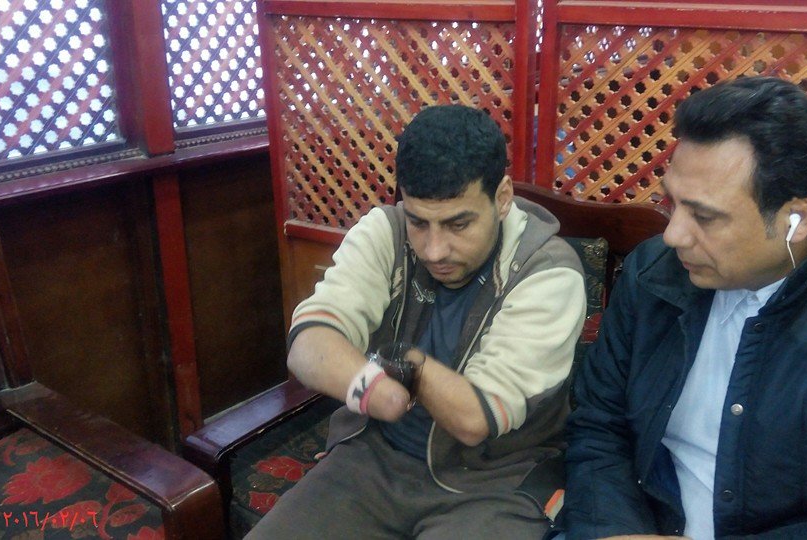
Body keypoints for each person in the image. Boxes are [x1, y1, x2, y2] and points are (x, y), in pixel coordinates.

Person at [564, 76, 807, 539]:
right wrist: (614, 530)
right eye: (672, 203)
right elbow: (598, 425)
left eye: (704, 216)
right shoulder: (654, 274)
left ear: (796, 219)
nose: (673, 235)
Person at [247, 104, 587, 539]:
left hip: (494, 482)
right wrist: (375, 389)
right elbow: (308, 344)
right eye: (418, 222)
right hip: (373, 458)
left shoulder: (549, 271)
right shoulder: (384, 232)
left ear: (502, 198)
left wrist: (405, 364)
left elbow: (474, 419)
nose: (434, 250)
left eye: (458, 224)